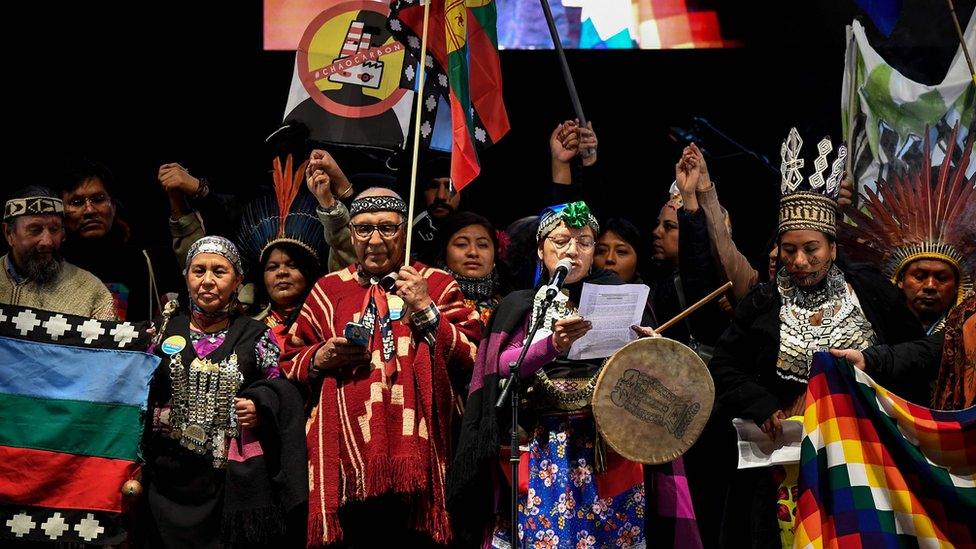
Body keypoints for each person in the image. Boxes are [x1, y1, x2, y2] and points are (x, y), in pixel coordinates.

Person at [708, 129, 925, 547]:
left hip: (864, 452)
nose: (799, 261)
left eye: (811, 249)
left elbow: (924, 350)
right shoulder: (763, 301)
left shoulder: (870, 291)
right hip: (786, 460)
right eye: (789, 251)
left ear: (833, 247)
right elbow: (724, 365)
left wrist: (872, 362)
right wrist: (763, 403)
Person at [448, 200, 700, 548]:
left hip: (609, 444)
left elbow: (651, 374)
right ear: (540, 249)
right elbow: (501, 365)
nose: (573, 251)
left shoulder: (619, 295)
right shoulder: (521, 304)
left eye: (584, 242)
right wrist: (551, 344)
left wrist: (650, 348)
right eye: (561, 241)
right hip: (545, 447)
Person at [281, 188, 480, 547]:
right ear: (351, 233)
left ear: (404, 232)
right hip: (347, 469)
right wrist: (321, 357)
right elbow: (291, 359)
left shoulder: (435, 283)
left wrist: (424, 307)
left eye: (387, 228)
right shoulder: (328, 290)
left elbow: (471, 358)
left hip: (420, 469)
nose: (374, 239)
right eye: (363, 229)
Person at [143, 236, 306, 547]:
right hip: (166, 483)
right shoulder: (162, 331)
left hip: (227, 485)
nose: (207, 281)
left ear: (238, 282)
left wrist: (260, 406)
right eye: (198, 271)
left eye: (219, 272)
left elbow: (284, 392)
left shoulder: (256, 336)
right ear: (186, 277)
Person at [839, 125, 975, 335]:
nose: (930, 286)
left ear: (958, 285)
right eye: (919, 275)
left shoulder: (968, 334)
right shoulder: (869, 324)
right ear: (900, 280)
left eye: (941, 278)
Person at [58, 159, 177, 321]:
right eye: (77, 202)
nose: (89, 210)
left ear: (113, 205)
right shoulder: (50, 266)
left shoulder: (147, 263)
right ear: (61, 213)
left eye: (98, 199)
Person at [238, 154, 326, 346]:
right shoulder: (242, 322)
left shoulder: (325, 319)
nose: (282, 273)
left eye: (292, 265)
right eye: (272, 267)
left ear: (308, 272)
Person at [1, 185, 115, 320]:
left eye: (54, 229)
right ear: (9, 233)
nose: (47, 241)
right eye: (35, 230)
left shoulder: (92, 292)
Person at [436, 211, 508, 328]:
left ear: (495, 254)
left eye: (482, 245)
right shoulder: (428, 301)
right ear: (444, 253)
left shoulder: (510, 308)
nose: (473, 252)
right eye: (461, 244)